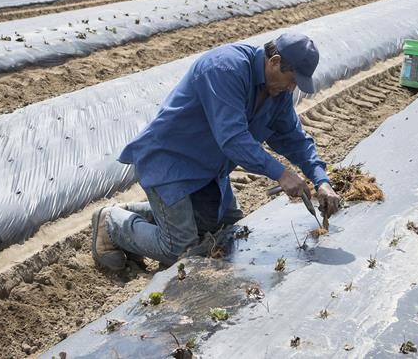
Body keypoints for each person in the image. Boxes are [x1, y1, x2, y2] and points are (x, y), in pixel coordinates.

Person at [92, 32, 342, 271]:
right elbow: (233, 139)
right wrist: (281, 174)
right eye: (293, 81)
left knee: (225, 230)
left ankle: (145, 214)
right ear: (275, 62)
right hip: (170, 164)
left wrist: (321, 180)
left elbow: (294, 138)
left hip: (208, 170)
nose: (292, 89)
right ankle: (111, 222)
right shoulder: (225, 69)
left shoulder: (277, 94)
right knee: (180, 250)